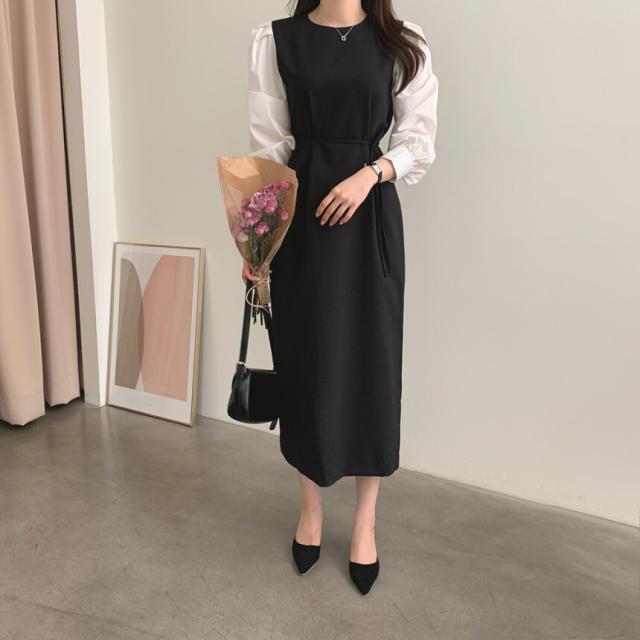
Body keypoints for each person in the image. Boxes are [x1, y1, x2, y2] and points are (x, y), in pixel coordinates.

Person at [244, 0, 438, 594]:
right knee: (305, 364)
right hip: (301, 226)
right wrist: (256, 243)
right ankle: (309, 512)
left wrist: (369, 173)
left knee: (371, 367)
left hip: (369, 223)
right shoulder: (276, 40)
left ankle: (365, 524)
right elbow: (268, 149)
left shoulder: (402, 41)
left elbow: (418, 138)